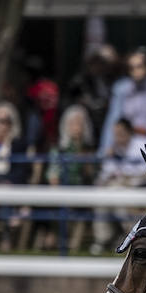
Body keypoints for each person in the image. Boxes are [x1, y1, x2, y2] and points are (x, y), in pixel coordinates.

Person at [91, 117, 146, 254]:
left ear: (129, 132)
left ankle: (130, 237)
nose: (117, 137)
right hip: (118, 186)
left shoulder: (142, 144)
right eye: (115, 133)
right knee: (101, 196)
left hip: (142, 187)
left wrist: (127, 177)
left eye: (120, 133)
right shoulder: (112, 148)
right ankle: (102, 239)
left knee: (117, 195)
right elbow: (106, 173)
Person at [45, 104, 97, 252]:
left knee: (84, 208)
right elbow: (52, 175)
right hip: (63, 191)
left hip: (83, 192)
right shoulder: (59, 149)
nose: (77, 127)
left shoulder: (88, 149)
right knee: (57, 204)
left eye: (80, 123)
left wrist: (86, 160)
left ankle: (74, 247)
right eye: (73, 123)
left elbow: (92, 175)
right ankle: (55, 238)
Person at [0, 101, 32, 251]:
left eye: (6, 121)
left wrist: (8, 181)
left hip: (9, 183)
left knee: (6, 194)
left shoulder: (18, 144)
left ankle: (6, 239)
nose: (2, 125)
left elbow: (22, 170)